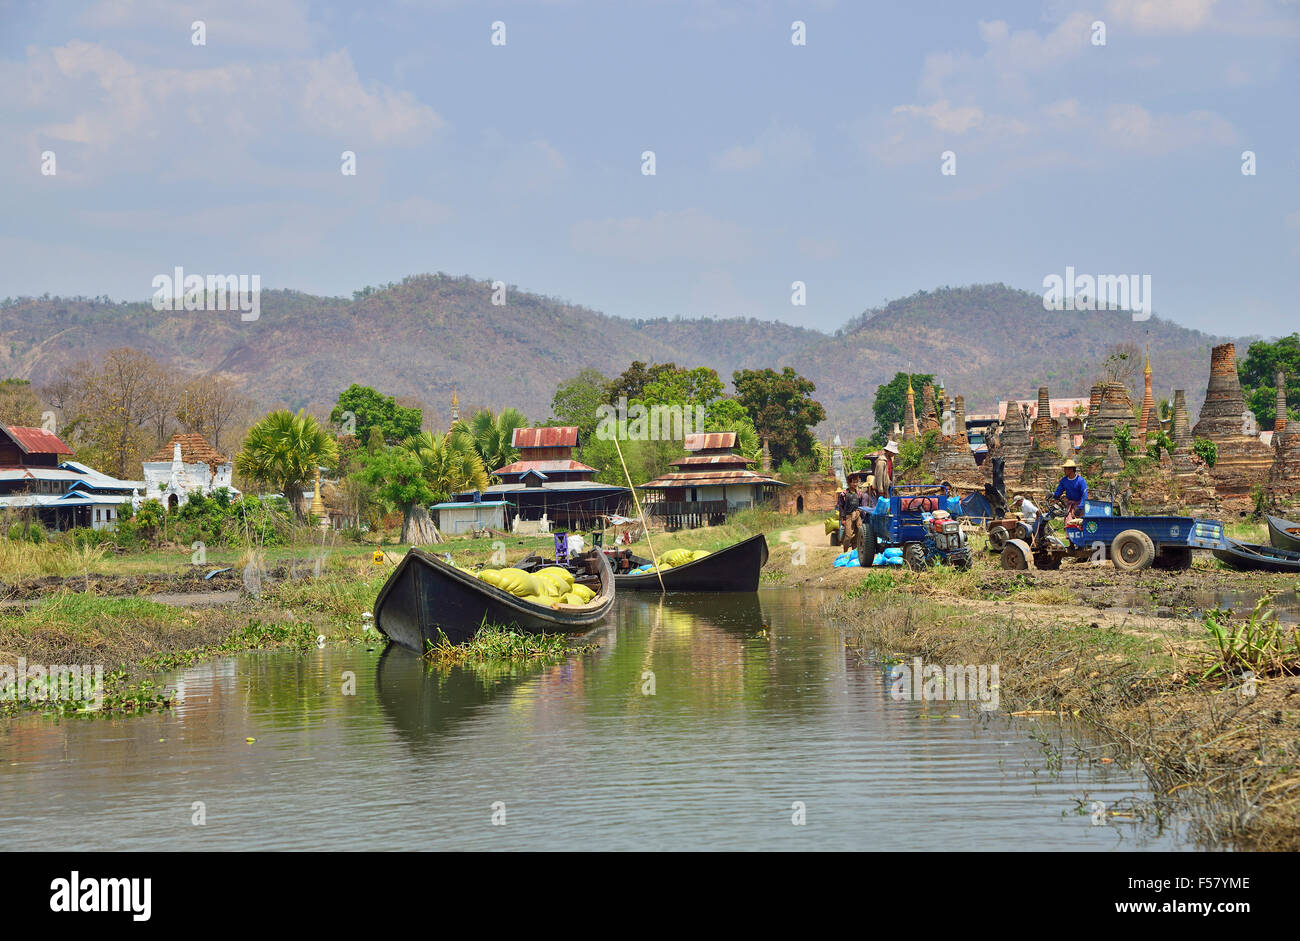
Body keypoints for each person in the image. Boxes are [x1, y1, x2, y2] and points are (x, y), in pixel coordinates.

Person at [1053, 459, 1088, 527]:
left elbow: (1084, 495)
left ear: (1071, 469)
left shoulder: (1081, 481)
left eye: (1066, 469)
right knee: (1068, 523)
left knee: (1080, 524)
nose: (1064, 470)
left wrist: (1080, 507)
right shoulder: (1064, 481)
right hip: (1070, 505)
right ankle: (1069, 536)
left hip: (1079, 505)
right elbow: (1059, 491)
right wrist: (1054, 495)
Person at [838, 476, 862, 548]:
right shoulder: (844, 494)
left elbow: (860, 504)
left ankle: (854, 552)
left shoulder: (859, 494)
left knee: (857, 534)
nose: (855, 484)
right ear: (849, 483)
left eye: (856, 482)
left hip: (857, 515)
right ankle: (845, 552)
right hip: (848, 516)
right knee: (848, 536)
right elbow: (841, 507)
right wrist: (842, 518)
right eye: (853, 482)